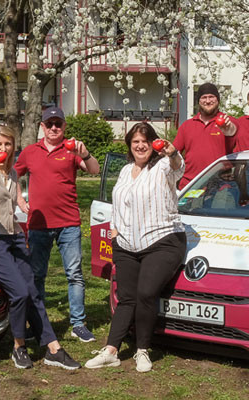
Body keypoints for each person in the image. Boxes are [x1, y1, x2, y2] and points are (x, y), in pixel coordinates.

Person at [0, 124, 80, 370]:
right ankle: (18, 346)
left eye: (8, 144)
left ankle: (52, 347)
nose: (3, 149)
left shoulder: (13, 173)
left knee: (33, 290)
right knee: (19, 292)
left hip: (13, 235)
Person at [85, 122, 186, 373]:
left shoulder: (163, 166)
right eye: (135, 142)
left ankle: (142, 350)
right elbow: (119, 203)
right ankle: (111, 350)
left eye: (145, 140)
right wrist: (116, 233)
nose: (140, 145)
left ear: (154, 142)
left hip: (162, 241)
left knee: (146, 293)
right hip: (127, 243)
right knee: (126, 297)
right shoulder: (126, 169)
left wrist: (172, 153)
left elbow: (178, 167)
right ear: (130, 146)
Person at [14, 106, 100, 343]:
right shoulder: (30, 152)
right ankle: (38, 323)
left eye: (58, 124)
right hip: (39, 224)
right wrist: (19, 198)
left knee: (74, 275)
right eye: (49, 124)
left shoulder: (72, 150)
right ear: (42, 126)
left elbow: (94, 170)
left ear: (64, 127)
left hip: (69, 223)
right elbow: (11, 175)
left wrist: (85, 154)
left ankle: (78, 324)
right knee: (38, 275)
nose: (54, 128)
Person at [173, 82, 237, 189]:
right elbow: (174, 152)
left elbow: (237, 138)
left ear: (218, 100)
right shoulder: (187, 125)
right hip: (191, 183)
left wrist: (229, 130)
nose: (207, 101)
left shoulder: (228, 123)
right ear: (199, 101)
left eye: (211, 97)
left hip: (221, 185)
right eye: (204, 97)